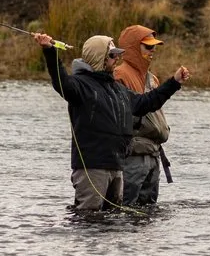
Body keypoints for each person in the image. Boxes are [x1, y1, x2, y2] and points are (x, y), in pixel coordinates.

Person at [33, 31, 189, 219]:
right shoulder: (79, 86)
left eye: (117, 54)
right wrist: (50, 52)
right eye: (112, 55)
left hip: (117, 166)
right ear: (100, 57)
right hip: (92, 168)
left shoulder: (117, 89)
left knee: (112, 221)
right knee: (87, 219)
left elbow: (146, 103)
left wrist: (174, 83)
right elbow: (60, 81)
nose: (117, 58)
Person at [113, 23, 172, 209]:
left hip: (153, 154)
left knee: (149, 210)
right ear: (132, 47)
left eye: (154, 46)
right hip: (133, 156)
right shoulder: (119, 74)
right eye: (148, 46)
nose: (153, 50)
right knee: (125, 207)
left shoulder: (152, 78)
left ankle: (145, 239)